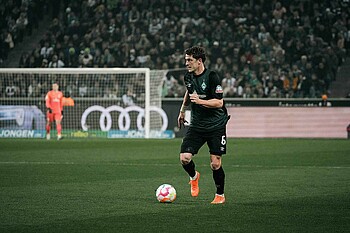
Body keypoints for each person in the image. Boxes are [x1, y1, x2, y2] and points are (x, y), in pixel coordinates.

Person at [177, 46, 230, 204]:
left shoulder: (212, 77)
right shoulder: (188, 77)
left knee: (215, 164)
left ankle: (220, 195)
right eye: (186, 60)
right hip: (198, 125)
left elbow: (219, 102)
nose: (186, 63)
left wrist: (200, 101)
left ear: (199, 61)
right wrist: (182, 111)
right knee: (184, 158)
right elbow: (189, 92)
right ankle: (194, 176)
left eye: (189, 60)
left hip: (216, 125)